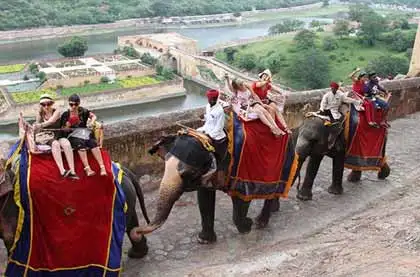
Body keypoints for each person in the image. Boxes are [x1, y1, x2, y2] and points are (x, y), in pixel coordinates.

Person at [33, 94, 79, 179]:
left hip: (58, 134)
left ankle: (72, 171)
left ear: (52, 103)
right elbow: (37, 128)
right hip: (48, 136)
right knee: (55, 144)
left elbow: (51, 121)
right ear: (41, 105)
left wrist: (39, 125)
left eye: (48, 104)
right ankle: (62, 171)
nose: (46, 106)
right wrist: (34, 128)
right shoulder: (40, 113)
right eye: (43, 105)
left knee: (66, 144)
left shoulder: (56, 111)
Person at [60, 94, 107, 177]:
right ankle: (87, 168)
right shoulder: (65, 114)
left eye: (76, 104)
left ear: (79, 103)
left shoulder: (83, 111)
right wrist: (68, 125)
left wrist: (92, 121)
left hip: (84, 132)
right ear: (69, 104)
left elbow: (93, 116)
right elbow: (63, 130)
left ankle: (102, 167)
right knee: (80, 143)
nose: (73, 106)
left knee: (93, 142)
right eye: (71, 104)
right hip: (72, 134)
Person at [197, 89, 228, 188]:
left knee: (218, 157)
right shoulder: (207, 107)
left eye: (214, 99)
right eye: (210, 99)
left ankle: (218, 172)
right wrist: (202, 130)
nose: (212, 101)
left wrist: (209, 135)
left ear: (216, 98)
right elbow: (207, 122)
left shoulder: (220, 111)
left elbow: (219, 127)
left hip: (217, 135)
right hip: (207, 130)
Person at [319, 82, 362, 149]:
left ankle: (341, 138)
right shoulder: (327, 95)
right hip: (327, 110)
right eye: (332, 88)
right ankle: (331, 141)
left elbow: (346, 99)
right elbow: (323, 103)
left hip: (335, 111)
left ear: (337, 89)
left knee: (343, 123)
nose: (333, 89)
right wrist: (322, 109)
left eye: (334, 88)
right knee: (335, 125)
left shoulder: (340, 94)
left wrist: (357, 101)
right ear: (331, 88)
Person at [251, 69, 291, 133]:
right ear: (261, 76)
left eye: (267, 76)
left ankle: (285, 126)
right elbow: (259, 85)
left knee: (276, 109)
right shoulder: (256, 83)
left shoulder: (267, 85)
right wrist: (267, 80)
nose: (265, 77)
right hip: (256, 101)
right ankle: (274, 128)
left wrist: (283, 93)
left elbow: (276, 90)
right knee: (271, 109)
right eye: (264, 75)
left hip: (265, 99)